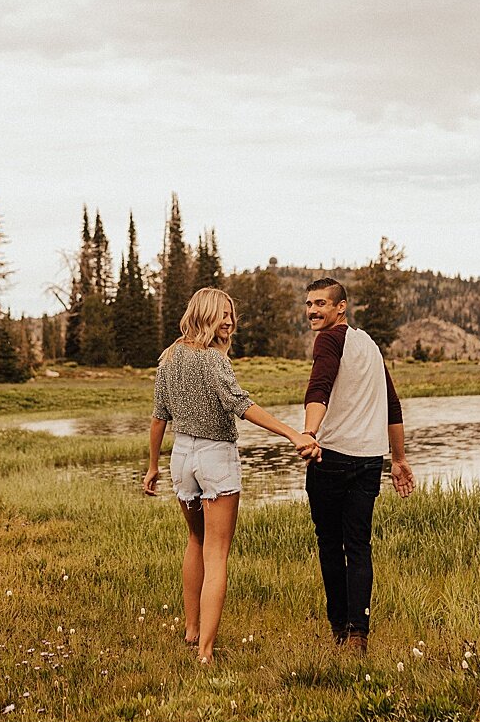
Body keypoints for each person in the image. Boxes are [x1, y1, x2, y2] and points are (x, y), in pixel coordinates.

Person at [144, 287, 320, 664]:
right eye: (223, 314)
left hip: (181, 458)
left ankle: (193, 632)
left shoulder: (169, 357)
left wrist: (153, 466)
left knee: (195, 539)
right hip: (214, 457)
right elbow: (241, 405)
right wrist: (293, 434)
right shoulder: (212, 360)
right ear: (205, 314)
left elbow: (160, 416)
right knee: (217, 552)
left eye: (231, 315)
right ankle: (206, 651)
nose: (229, 321)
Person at [300, 277, 415, 651]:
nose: (313, 311)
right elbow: (392, 405)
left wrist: (309, 433)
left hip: (332, 456)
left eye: (321, 303)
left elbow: (320, 385)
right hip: (369, 460)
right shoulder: (368, 344)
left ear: (340, 308)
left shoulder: (329, 340)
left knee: (331, 545)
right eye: (309, 304)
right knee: (359, 545)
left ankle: (339, 630)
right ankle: (358, 634)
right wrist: (397, 459)